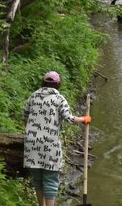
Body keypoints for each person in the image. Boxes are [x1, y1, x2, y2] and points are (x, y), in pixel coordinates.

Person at [23, 71, 92, 206]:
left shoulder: (33, 96)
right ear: (58, 84)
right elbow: (69, 119)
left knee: (37, 180)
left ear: (43, 83)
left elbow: (25, 117)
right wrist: (84, 119)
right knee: (50, 180)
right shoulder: (59, 99)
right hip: (50, 145)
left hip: (32, 143)